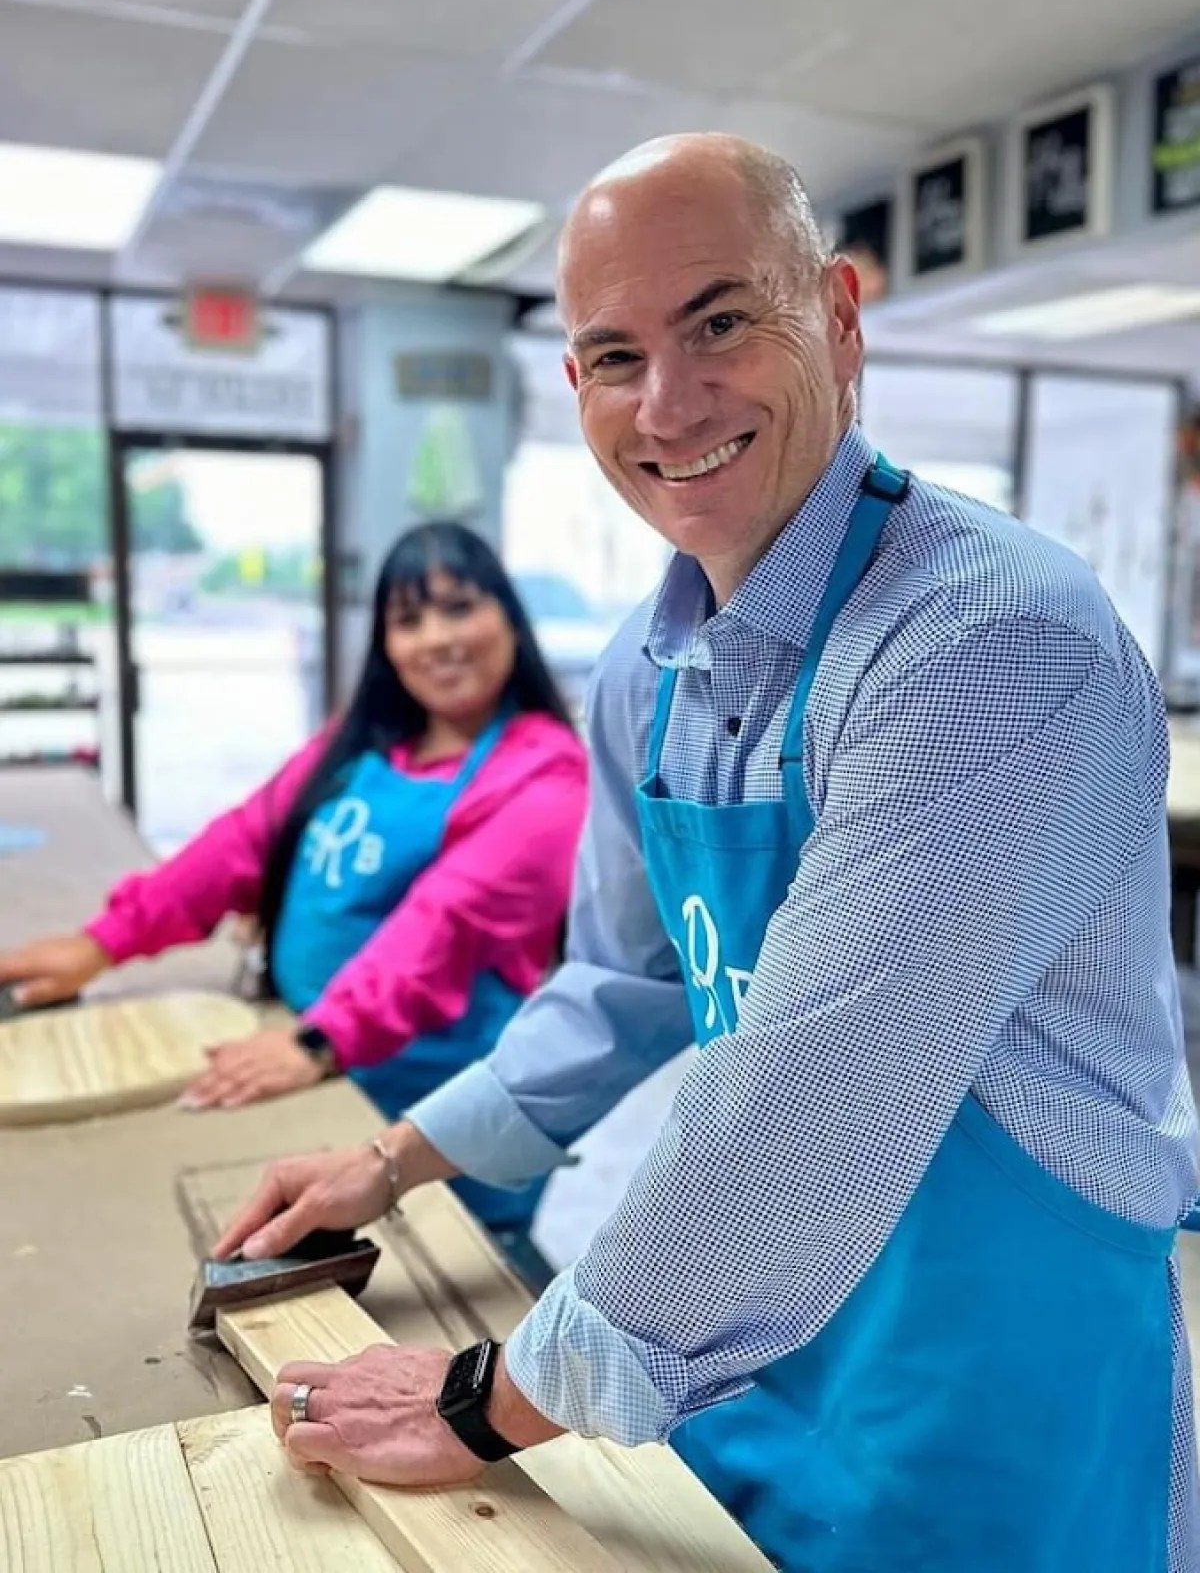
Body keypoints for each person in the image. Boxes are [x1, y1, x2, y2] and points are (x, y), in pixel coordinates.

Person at [214, 134, 1200, 1573]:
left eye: (722, 322)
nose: (668, 403)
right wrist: (393, 1159)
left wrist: (488, 1400)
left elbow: (813, 1098)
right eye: (615, 355)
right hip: (759, 1342)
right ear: (575, 388)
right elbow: (625, 984)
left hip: (994, 1372)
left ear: (842, 319)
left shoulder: (989, 644)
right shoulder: (650, 673)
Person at [0, 522, 587, 1238]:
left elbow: (444, 926)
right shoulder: (359, 744)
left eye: (460, 608)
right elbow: (238, 843)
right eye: (408, 619)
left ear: (510, 620)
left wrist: (318, 1041)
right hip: (321, 1067)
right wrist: (100, 944)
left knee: (456, 1288)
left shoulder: (547, 775)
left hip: (430, 1119)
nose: (436, 638)